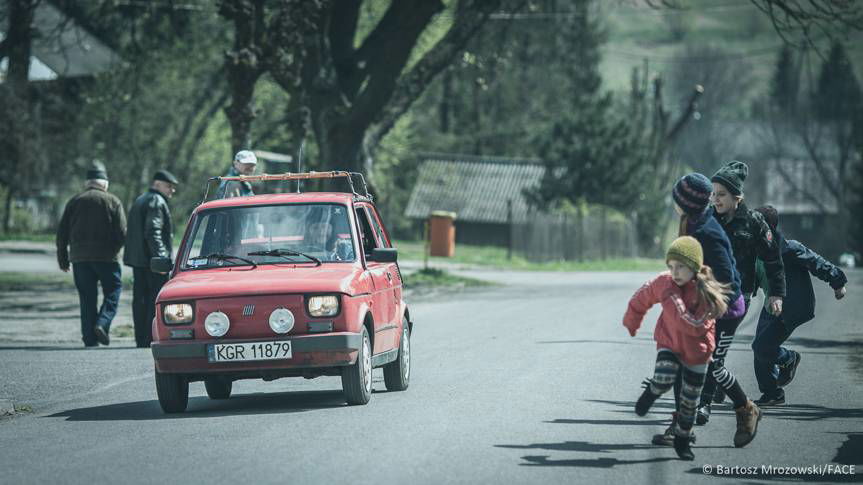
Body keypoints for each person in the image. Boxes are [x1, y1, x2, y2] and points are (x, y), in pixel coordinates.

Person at [652, 173, 746, 446]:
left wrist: (705, 312)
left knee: (709, 369)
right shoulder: (691, 223)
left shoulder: (707, 232)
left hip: (724, 310)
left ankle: (745, 408)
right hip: (702, 306)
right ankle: (682, 428)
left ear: (686, 203)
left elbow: (727, 280)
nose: (674, 204)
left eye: (676, 199)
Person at [624, 236, 733, 460]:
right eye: (671, 266)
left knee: (689, 403)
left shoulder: (706, 290)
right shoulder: (665, 283)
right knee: (664, 377)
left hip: (697, 352)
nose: (675, 272)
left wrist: (674, 303)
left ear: (694, 267)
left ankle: (682, 441)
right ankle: (652, 391)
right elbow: (641, 297)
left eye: (680, 267)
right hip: (670, 342)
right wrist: (631, 320)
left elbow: (696, 325)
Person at [694, 160, 784, 428]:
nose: (715, 199)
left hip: (737, 299)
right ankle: (720, 390)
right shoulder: (707, 218)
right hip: (707, 294)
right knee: (701, 350)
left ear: (737, 197)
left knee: (715, 354)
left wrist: (776, 294)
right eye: (713, 193)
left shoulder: (755, 222)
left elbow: (773, 260)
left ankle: (705, 404)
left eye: (721, 194)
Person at [751, 205, 848, 405]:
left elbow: (816, 262)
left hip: (791, 307)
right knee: (759, 347)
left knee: (762, 346)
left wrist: (837, 282)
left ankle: (788, 358)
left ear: (767, 228)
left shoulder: (789, 248)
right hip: (771, 306)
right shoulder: (754, 250)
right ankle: (772, 393)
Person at [56, 162, 126, 347]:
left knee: (87, 298)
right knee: (113, 290)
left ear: (87, 183)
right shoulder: (113, 201)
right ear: (104, 183)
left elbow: (62, 233)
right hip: (106, 258)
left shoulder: (74, 201)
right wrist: (116, 249)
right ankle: (102, 323)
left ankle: (89, 338)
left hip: (80, 259)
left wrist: (63, 259)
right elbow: (122, 232)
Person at [124, 170, 179, 348]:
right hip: (152, 263)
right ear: (157, 185)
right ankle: (150, 337)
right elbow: (153, 232)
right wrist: (161, 259)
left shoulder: (141, 198)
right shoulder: (156, 200)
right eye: (169, 186)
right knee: (154, 300)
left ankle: (141, 338)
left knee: (140, 299)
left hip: (140, 261)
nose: (172, 190)